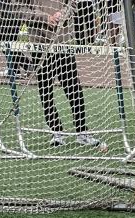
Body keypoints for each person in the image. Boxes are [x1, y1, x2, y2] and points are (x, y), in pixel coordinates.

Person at [25, 2, 101, 146]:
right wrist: (45, 18)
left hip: (62, 41)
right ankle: (56, 132)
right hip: (39, 42)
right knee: (45, 90)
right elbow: (22, 8)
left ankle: (82, 131)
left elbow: (73, 3)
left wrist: (62, 14)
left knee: (73, 88)